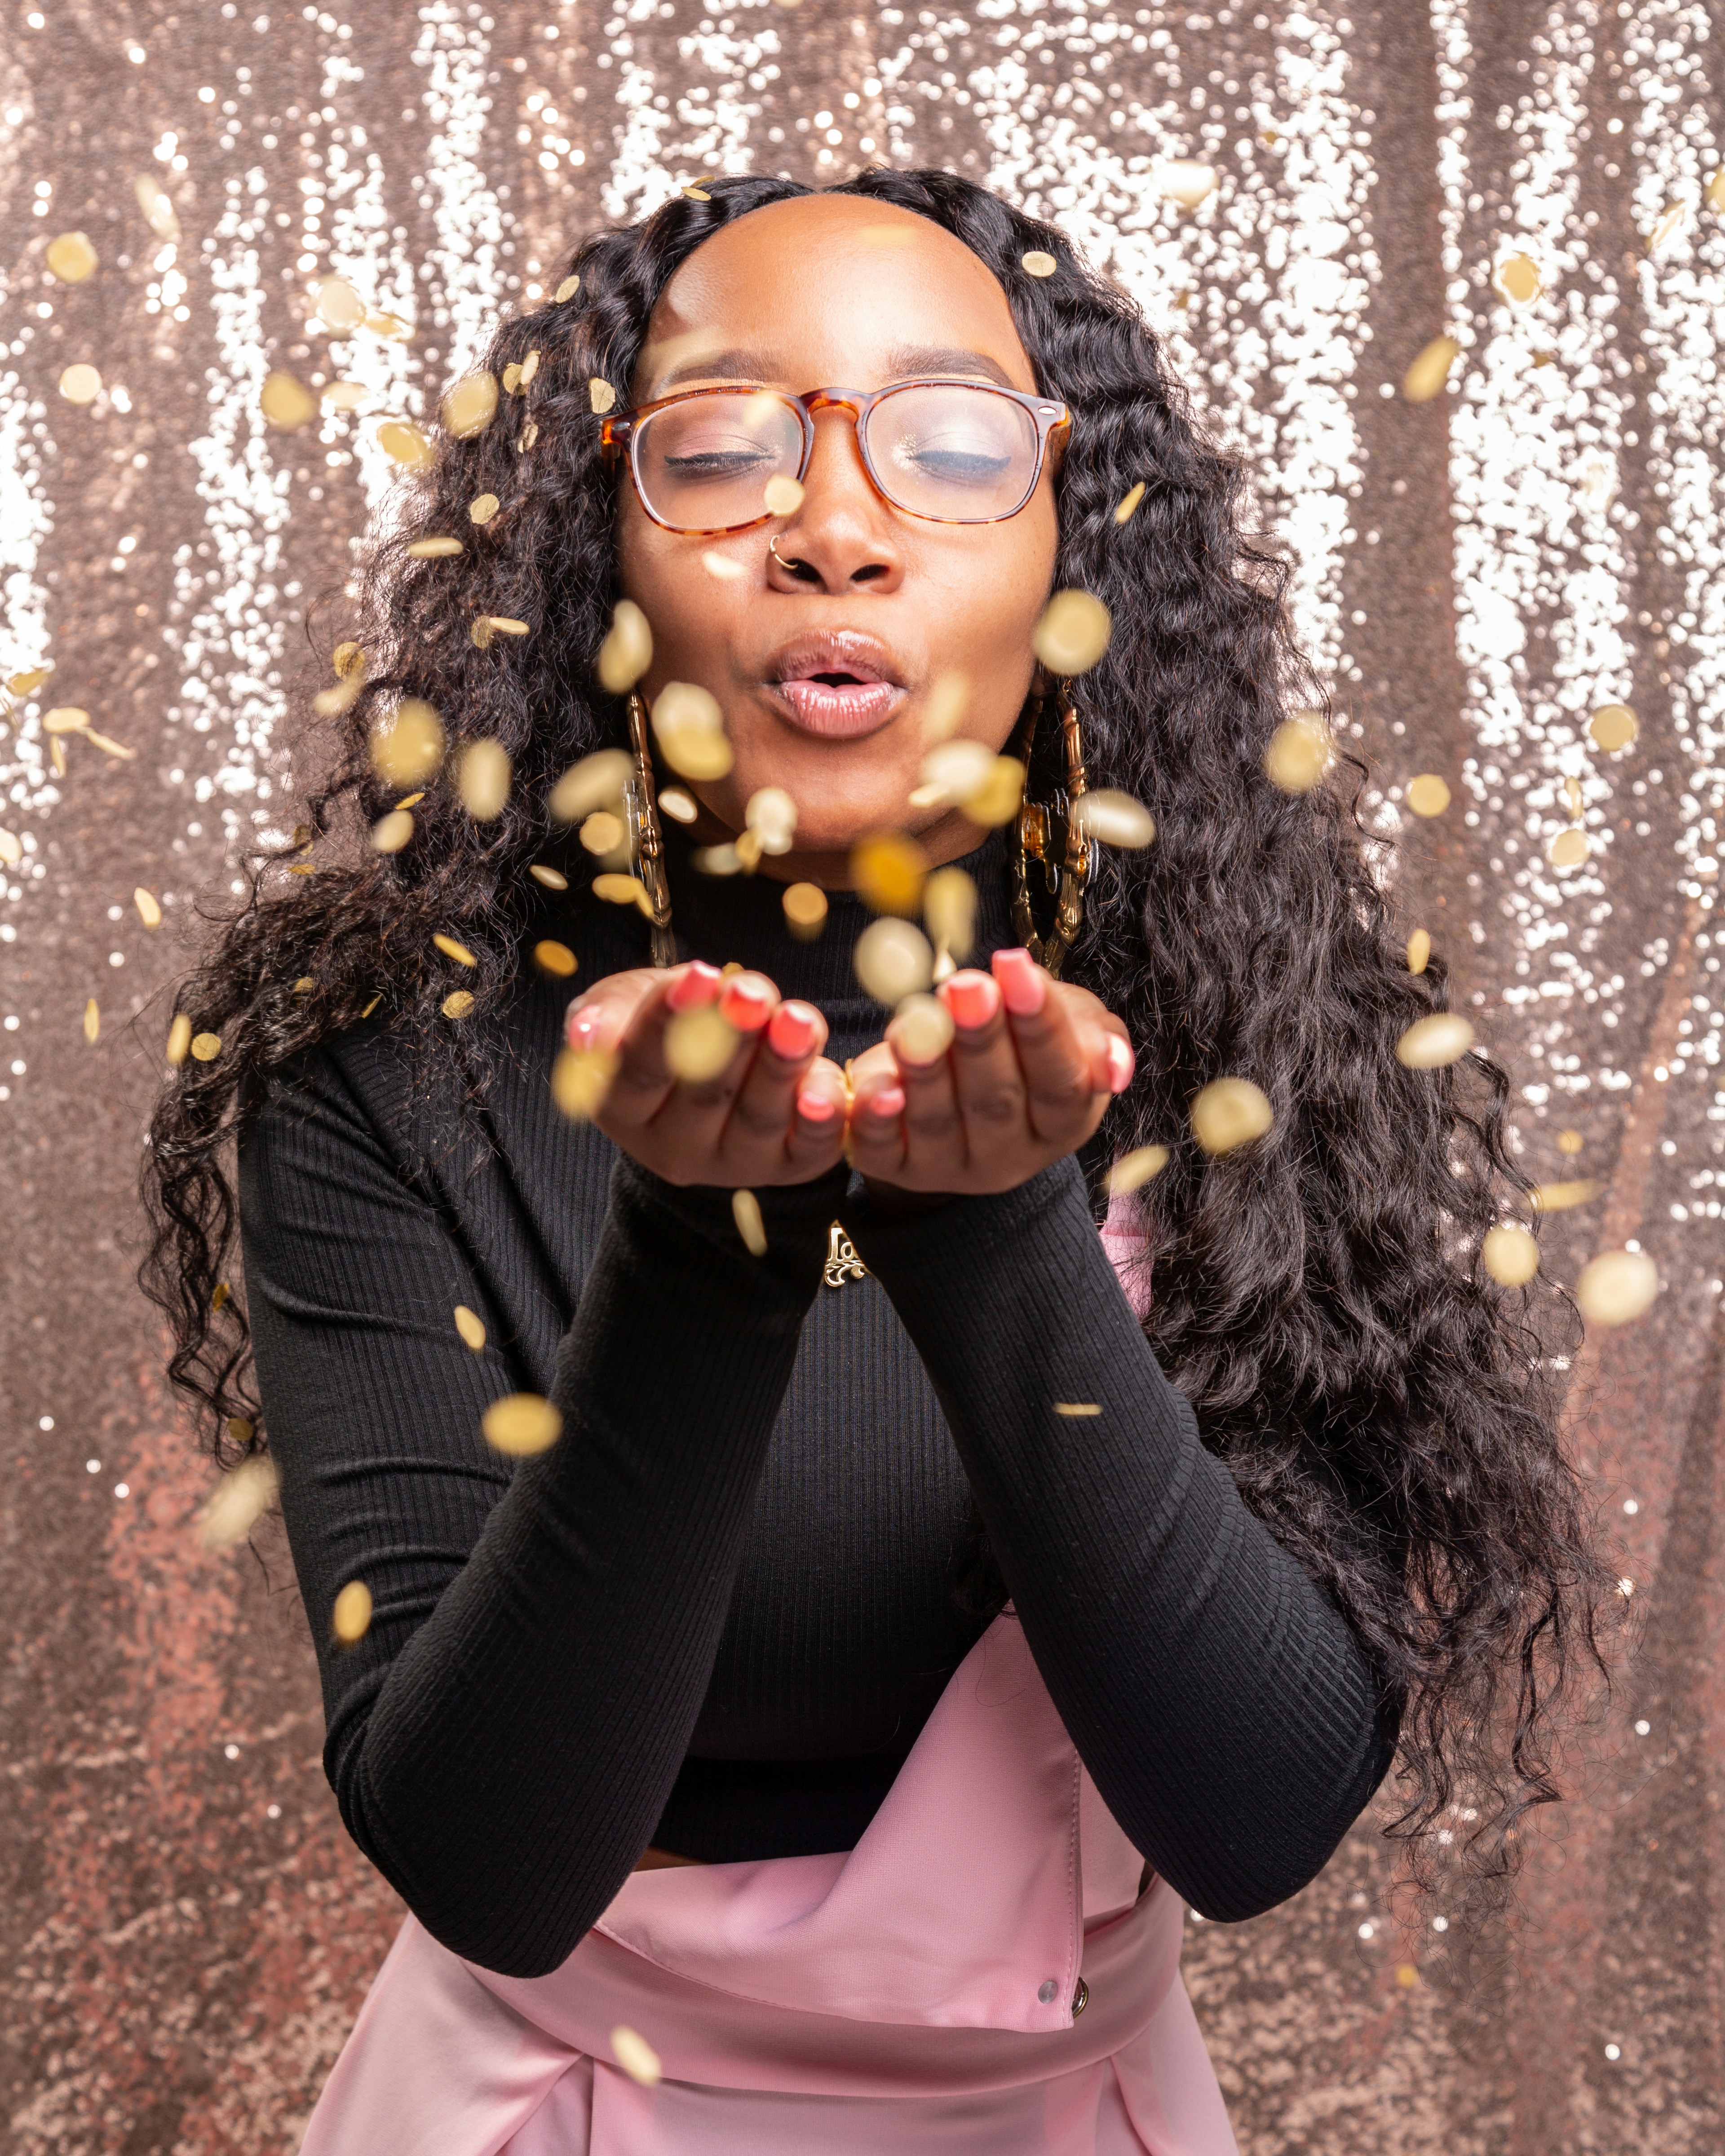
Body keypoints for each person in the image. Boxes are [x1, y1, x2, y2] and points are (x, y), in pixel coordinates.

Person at [142, 170, 1608, 2152]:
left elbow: (1256, 1819)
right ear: (596, 551)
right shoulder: (381, 1066)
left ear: (1078, 545)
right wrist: (707, 1245)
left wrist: (991, 1221)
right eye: (720, 450)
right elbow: (487, 1859)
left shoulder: (1244, 1038)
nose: (833, 528)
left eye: (952, 447)